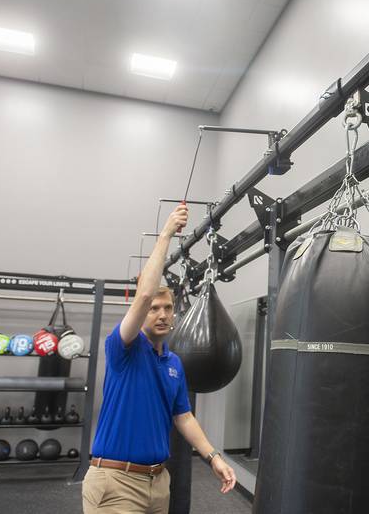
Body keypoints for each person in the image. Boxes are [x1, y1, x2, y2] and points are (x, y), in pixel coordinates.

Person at [83, 203, 237, 513]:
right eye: (154, 309)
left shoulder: (174, 364)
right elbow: (143, 295)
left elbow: (184, 416)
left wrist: (213, 457)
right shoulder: (122, 348)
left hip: (158, 482)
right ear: (142, 314)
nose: (162, 315)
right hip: (116, 482)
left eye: (168, 308)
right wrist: (167, 234)